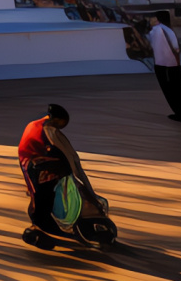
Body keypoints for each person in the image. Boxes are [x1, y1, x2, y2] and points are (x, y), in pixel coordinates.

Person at [17, 104, 116, 249]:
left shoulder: (36, 125)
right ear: (57, 120)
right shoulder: (49, 131)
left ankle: (47, 227)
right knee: (44, 198)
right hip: (38, 167)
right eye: (63, 122)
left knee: (45, 196)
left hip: (37, 166)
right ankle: (42, 228)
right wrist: (90, 191)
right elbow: (72, 160)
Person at [147, 10, 181, 123]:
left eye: (153, 18)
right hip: (173, 64)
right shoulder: (168, 29)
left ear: (157, 19)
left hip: (163, 65)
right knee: (179, 90)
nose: (151, 20)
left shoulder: (157, 30)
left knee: (170, 91)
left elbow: (151, 44)